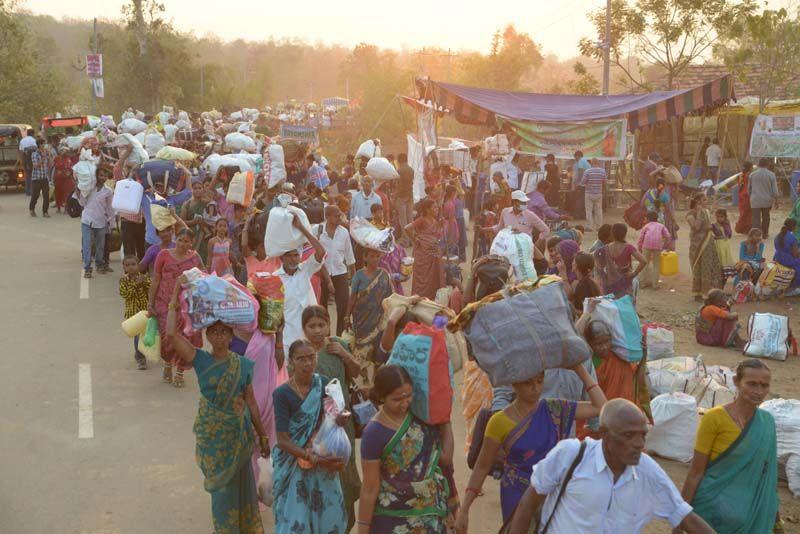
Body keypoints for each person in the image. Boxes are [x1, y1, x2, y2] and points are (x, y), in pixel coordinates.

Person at [508, 399, 714, 534]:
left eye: (643, 434)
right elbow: (528, 503)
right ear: (604, 434)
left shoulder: (648, 471)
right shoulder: (571, 455)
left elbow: (685, 517)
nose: (639, 443)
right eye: (628, 435)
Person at [455, 364, 607, 530]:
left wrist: (580, 370)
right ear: (514, 384)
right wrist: (464, 509)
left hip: (550, 492)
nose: (535, 388)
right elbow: (482, 466)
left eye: (540, 381)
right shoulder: (499, 422)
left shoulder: (554, 409)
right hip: (516, 494)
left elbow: (600, 407)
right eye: (528, 383)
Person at [166, 298, 270, 534]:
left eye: (224, 332)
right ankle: (224, 529)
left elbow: (251, 401)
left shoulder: (243, 365)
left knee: (242, 486)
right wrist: (174, 297)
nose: (220, 337)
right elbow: (171, 335)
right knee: (221, 490)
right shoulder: (200, 360)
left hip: (239, 438)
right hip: (214, 439)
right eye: (215, 332)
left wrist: (263, 436)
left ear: (231, 335)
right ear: (207, 335)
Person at [680, 359, 778, 533]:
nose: (758, 391)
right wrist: (679, 519)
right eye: (752, 384)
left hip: (749, 514)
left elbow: (767, 477)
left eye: (764, 386)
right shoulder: (714, 418)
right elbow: (695, 473)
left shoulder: (767, 423)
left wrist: (773, 519)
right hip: (710, 510)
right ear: (736, 382)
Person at [358, 365, 452, 533]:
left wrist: (445, 419)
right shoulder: (374, 433)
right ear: (382, 397)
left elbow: (445, 459)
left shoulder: (423, 420)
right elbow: (370, 487)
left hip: (431, 516)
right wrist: (363, 527)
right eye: (396, 399)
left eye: (408, 396)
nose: (404, 403)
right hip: (392, 518)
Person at [272, 339, 348, 534]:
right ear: (291, 362)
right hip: (295, 464)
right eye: (301, 359)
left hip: (323, 459)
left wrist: (340, 419)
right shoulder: (281, 394)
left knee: (328, 518)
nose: (307, 363)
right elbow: (282, 440)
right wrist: (312, 457)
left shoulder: (324, 384)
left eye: (311, 357)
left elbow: (332, 418)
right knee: (296, 521)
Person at [302, 306, 362, 532]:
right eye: (312, 326)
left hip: (342, 426)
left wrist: (343, 354)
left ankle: (345, 525)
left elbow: (355, 372)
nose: (317, 331)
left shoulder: (338, 345)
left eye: (321, 325)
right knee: (320, 474)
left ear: (328, 324)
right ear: (304, 328)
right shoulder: (302, 352)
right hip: (316, 427)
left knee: (344, 472)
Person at [147, 228, 204, 387]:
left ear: (191, 243)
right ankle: (167, 364)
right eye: (180, 240)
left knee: (186, 338)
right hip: (164, 303)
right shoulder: (163, 255)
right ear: (175, 239)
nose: (182, 244)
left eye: (186, 241)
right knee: (168, 336)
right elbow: (156, 279)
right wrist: (150, 303)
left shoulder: (195, 258)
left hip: (186, 305)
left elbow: (203, 277)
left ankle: (180, 371)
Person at [582, 321, 651, 432]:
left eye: (607, 341)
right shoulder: (589, 363)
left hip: (627, 415)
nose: (605, 347)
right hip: (602, 420)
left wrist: (643, 357)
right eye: (599, 344)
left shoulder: (620, 357)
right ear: (590, 344)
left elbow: (638, 380)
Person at [275, 213, 327, 350]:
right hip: (288, 340)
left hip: (310, 336)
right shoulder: (275, 278)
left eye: (296, 255)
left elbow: (321, 252)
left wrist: (302, 228)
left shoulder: (305, 269)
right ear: (282, 258)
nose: (293, 259)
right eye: (289, 256)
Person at [346, 248, 394, 384]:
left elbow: (391, 297)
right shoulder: (358, 276)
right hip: (361, 321)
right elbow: (352, 298)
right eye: (371, 256)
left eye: (377, 256)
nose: (375, 259)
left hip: (380, 320)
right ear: (365, 258)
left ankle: (376, 381)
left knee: (379, 351)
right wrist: (346, 317)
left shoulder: (384, 275)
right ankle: (363, 379)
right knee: (362, 352)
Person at [314, 205, 355, 336]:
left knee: (342, 307)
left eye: (340, 215)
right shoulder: (317, 230)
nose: (339, 218)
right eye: (336, 215)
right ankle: (325, 336)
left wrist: (353, 278)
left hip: (340, 273)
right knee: (322, 308)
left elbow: (349, 256)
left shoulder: (344, 232)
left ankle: (340, 337)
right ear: (327, 217)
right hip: (321, 274)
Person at [78, 164, 115, 278]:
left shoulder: (108, 191)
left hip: (101, 222)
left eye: (104, 176)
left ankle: (99, 264)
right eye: (100, 175)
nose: (102, 178)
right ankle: (88, 268)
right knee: (87, 245)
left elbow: (110, 208)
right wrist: (79, 190)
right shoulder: (89, 188)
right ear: (96, 176)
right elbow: (82, 203)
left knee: (100, 246)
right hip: (87, 220)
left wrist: (112, 223)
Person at [593, 223, 648, 299]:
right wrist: (634, 273)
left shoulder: (604, 249)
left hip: (610, 284)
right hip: (625, 283)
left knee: (614, 306)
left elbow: (597, 261)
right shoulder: (629, 247)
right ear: (625, 234)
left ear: (612, 233)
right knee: (626, 305)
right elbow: (644, 261)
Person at [405, 198, 445, 300]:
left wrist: (440, 225)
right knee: (423, 279)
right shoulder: (422, 219)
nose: (437, 209)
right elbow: (407, 228)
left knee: (432, 279)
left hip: (434, 254)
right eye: (434, 208)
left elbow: (436, 235)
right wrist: (415, 239)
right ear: (427, 210)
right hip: (423, 254)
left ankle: (430, 299)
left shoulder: (434, 220)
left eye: (437, 207)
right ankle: (419, 300)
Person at [687, 193, 724, 301]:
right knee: (698, 267)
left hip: (708, 242)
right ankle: (698, 293)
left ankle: (709, 292)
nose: (706, 202)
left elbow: (708, 225)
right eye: (704, 200)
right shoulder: (690, 214)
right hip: (698, 245)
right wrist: (698, 212)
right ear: (698, 202)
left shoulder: (706, 211)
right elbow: (696, 227)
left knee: (709, 266)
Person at [119, 255, 151, 370]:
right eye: (128, 265)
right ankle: (140, 357)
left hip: (145, 312)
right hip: (132, 314)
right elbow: (125, 294)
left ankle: (144, 353)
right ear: (124, 267)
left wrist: (144, 282)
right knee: (138, 335)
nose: (131, 267)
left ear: (138, 266)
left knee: (147, 334)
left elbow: (151, 289)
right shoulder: (123, 281)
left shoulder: (144, 278)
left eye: (133, 264)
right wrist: (135, 284)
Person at [637, 210, 671, 290]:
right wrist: (665, 245)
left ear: (648, 219)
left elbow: (641, 237)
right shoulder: (661, 226)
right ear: (657, 218)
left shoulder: (646, 226)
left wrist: (639, 247)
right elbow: (668, 236)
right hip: (658, 245)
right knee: (656, 264)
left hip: (647, 245)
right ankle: (655, 285)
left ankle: (642, 283)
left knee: (644, 263)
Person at [180, 178, 210, 263]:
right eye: (195, 188)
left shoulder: (207, 203)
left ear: (203, 189)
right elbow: (182, 222)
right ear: (192, 190)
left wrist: (203, 223)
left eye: (200, 188)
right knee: (191, 260)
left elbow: (212, 220)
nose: (197, 190)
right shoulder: (187, 204)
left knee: (203, 259)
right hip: (191, 236)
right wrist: (193, 222)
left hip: (204, 236)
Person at [749, 158, 780, 237]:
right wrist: (776, 201)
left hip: (755, 200)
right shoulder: (771, 175)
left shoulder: (752, 174)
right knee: (766, 217)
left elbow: (749, 189)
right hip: (767, 200)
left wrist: (751, 197)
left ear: (759, 164)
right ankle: (765, 234)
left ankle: (756, 235)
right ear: (768, 164)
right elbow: (775, 190)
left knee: (756, 219)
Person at [774, 218, 800, 288]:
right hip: (788, 260)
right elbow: (795, 255)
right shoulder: (792, 238)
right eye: (795, 226)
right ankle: (794, 287)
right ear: (793, 227)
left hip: (777, 258)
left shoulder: (778, 236)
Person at [582, 159, 608, 232]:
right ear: (598, 163)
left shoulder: (587, 171)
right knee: (599, 210)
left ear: (591, 163)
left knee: (588, 210)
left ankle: (589, 226)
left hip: (589, 193)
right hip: (599, 193)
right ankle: (599, 226)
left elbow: (583, 181)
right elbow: (605, 182)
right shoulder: (602, 171)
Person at [395, 153, 415, 247]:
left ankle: (405, 240)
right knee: (410, 218)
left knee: (403, 220)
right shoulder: (411, 170)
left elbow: (397, 184)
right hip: (410, 195)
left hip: (401, 196)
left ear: (399, 161)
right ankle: (412, 239)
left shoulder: (399, 170)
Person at [29, 139, 52, 218]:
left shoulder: (45, 153)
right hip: (36, 178)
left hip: (44, 178)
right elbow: (35, 166)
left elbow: (49, 165)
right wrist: (43, 158)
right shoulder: (34, 154)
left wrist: (49, 157)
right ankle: (32, 209)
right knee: (35, 195)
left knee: (46, 196)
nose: (44, 146)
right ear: (39, 145)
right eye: (43, 144)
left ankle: (45, 212)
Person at [711, 208, 735, 280]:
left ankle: (725, 275)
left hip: (725, 244)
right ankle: (719, 274)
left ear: (725, 217)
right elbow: (711, 234)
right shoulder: (714, 225)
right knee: (720, 258)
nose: (719, 218)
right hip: (718, 244)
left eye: (721, 217)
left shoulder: (727, 224)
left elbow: (729, 235)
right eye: (718, 217)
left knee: (725, 258)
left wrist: (726, 225)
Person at [53, 147, 77, 214]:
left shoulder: (69, 159)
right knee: (58, 193)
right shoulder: (57, 158)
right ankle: (58, 208)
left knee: (67, 194)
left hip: (67, 178)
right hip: (58, 178)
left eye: (66, 151)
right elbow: (56, 166)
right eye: (63, 151)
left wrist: (70, 173)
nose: (65, 152)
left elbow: (71, 168)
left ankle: (66, 208)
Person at [735, 161, 754, 235]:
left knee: (743, 213)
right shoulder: (750, 175)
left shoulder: (741, 175)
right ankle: (745, 228)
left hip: (741, 195)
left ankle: (742, 228)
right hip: (748, 195)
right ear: (750, 168)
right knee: (749, 214)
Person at [570, 150, 590, 218]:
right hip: (586, 184)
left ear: (578, 156)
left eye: (575, 157)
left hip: (581, 184)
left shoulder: (581, 161)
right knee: (583, 200)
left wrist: (576, 181)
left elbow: (580, 172)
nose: (575, 159)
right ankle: (583, 215)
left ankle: (577, 215)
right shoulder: (586, 161)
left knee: (579, 200)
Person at [19, 128, 36, 196]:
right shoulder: (33, 140)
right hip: (32, 159)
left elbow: (20, 151)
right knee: (33, 175)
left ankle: (27, 191)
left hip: (24, 159)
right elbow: (36, 149)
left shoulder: (22, 140)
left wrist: (21, 161)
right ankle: (32, 191)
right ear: (32, 134)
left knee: (27, 175)